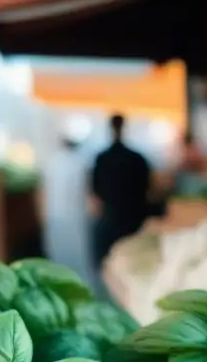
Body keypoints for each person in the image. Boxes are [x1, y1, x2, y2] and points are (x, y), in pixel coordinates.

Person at [90, 114, 151, 271]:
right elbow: (147, 190)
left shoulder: (102, 159)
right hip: (133, 221)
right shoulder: (137, 159)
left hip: (111, 220)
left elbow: (95, 193)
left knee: (108, 268)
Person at [43, 134, 93, 287]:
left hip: (56, 215)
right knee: (77, 256)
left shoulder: (52, 162)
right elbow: (87, 192)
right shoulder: (80, 162)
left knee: (58, 254)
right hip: (75, 215)